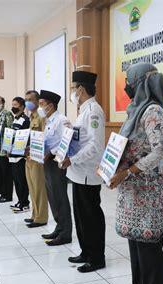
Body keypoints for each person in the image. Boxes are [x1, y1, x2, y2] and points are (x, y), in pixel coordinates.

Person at [110, 63, 163, 284]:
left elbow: (159, 151)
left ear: (141, 82)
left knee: (149, 247)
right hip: (132, 189)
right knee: (135, 242)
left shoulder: (153, 111)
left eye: (129, 80)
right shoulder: (136, 110)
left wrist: (128, 171)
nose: (127, 85)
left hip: (149, 190)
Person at [60, 71, 106, 273]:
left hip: (87, 173)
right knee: (80, 216)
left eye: (73, 88)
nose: (72, 92)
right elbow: (82, 139)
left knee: (91, 217)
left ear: (81, 89)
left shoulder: (94, 111)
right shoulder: (83, 110)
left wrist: (72, 159)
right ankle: (85, 251)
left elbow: (95, 146)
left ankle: (97, 257)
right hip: (77, 173)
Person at [39, 90, 73, 245]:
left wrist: (51, 154)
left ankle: (66, 233)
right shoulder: (49, 121)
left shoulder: (62, 120)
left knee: (60, 197)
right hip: (47, 162)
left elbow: (67, 141)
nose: (40, 107)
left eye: (42, 104)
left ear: (50, 105)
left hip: (57, 163)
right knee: (52, 196)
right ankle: (59, 228)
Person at [24, 90, 49, 228]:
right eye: (26, 99)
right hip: (29, 156)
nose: (27, 102)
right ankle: (34, 214)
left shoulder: (40, 116)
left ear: (37, 101)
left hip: (38, 158)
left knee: (39, 188)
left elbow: (45, 137)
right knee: (32, 188)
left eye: (30, 99)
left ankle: (41, 217)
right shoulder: (31, 116)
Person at [0, 95, 14, 203]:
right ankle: (2, 193)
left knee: (6, 174)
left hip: (4, 150)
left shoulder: (7, 114)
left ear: (3, 103)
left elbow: (10, 131)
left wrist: (8, 149)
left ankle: (7, 195)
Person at [9, 97, 30, 213]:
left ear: (22, 106)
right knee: (16, 180)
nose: (13, 107)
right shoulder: (14, 119)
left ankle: (25, 203)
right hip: (12, 154)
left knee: (22, 180)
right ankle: (19, 200)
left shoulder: (25, 120)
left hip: (20, 155)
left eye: (15, 105)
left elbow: (26, 138)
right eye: (12, 104)